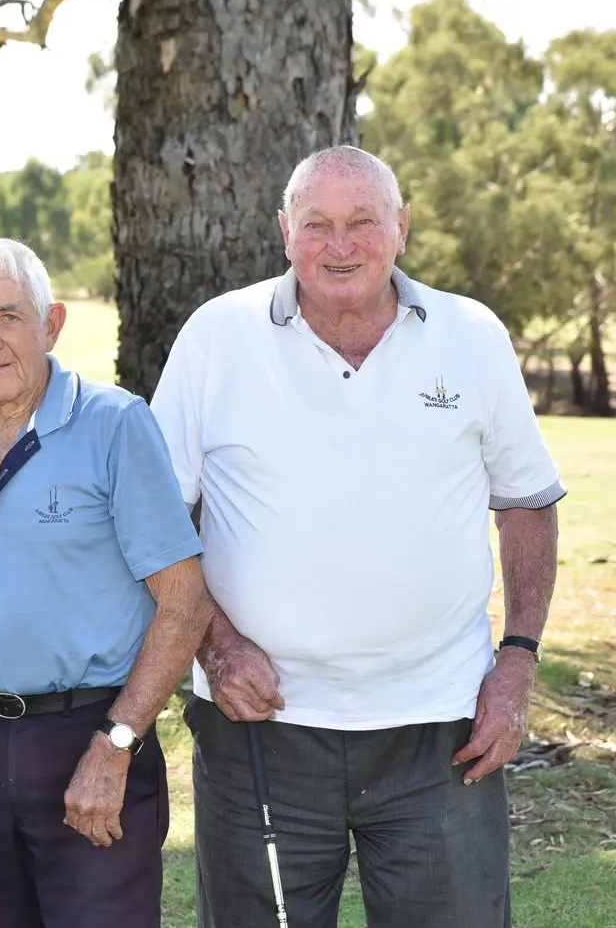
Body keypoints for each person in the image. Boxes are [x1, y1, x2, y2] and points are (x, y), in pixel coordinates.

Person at [149, 145, 565, 928]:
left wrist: (518, 660)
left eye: (362, 221)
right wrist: (216, 644)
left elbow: (527, 503)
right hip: (258, 729)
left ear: (401, 227)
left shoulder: (471, 334)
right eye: (317, 225)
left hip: (441, 725)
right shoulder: (217, 335)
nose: (340, 245)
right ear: (284, 232)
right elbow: (156, 521)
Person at [0, 238, 209, 928]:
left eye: (8, 315)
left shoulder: (115, 424)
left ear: (52, 323)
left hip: (91, 739)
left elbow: (184, 600)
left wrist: (117, 741)